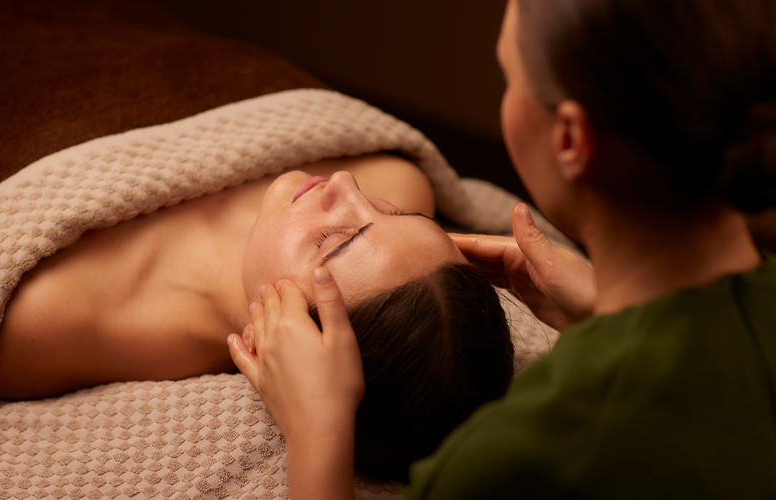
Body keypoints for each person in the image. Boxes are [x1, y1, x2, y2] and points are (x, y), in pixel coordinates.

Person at [228, 0, 776, 498]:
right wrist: (606, 312)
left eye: (506, 77)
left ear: (570, 140)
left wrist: (317, 435)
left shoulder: (516, 458)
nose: (345, 181)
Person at [0, 152, 515, 481]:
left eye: (334, 240)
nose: (347, 184)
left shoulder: (42, 323)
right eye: (403, 217)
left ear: (276, 345)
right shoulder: (399, 177)